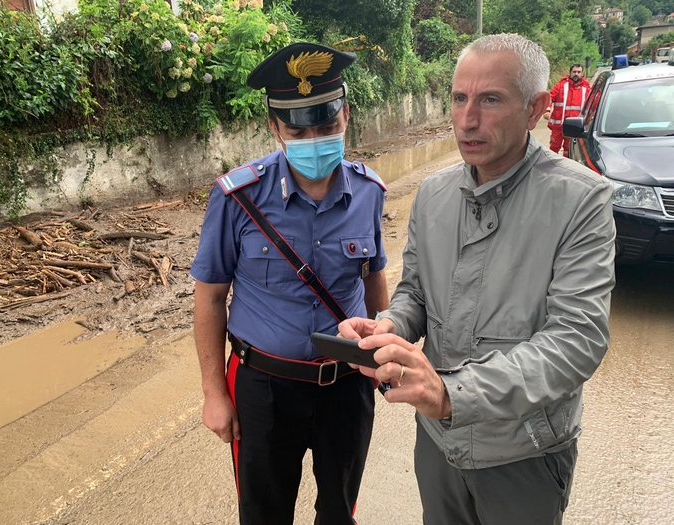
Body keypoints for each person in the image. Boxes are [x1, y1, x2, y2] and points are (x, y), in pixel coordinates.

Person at [339, 34, 615, 525]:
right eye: (459, 98)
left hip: (524, 451)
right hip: (439, 443)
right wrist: (390, 326)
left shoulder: (581, 201)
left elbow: (577, 340)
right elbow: (415, 292)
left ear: (536, 109)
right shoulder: (433, 194)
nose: (467, 120)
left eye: (490, 100)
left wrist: (452, 394)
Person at [190, 42, 389, 525]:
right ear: (275, 127)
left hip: (346, 386)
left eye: (327, 126)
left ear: (346, 116)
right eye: (298, 131)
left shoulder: (369, 192)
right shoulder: (238, 197)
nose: (314, 140)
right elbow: (210, 298)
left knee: (339, 511)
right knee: (264, 513)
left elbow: (374, 279)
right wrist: (214, 393)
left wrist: (382, 352)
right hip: (264, 389)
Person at [543, 63, 591, 156]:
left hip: (575, 126)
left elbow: (594, 102)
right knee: (554, 148)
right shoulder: (560, 86)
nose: (576, 74)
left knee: (569, 149)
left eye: (579, 72)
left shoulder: (586, 88)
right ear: (570, 73)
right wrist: (547, 111)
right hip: (558, 125)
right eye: (574, 72)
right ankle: (551, 164)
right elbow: (549, 98)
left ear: (582, 74)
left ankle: (567, 163)